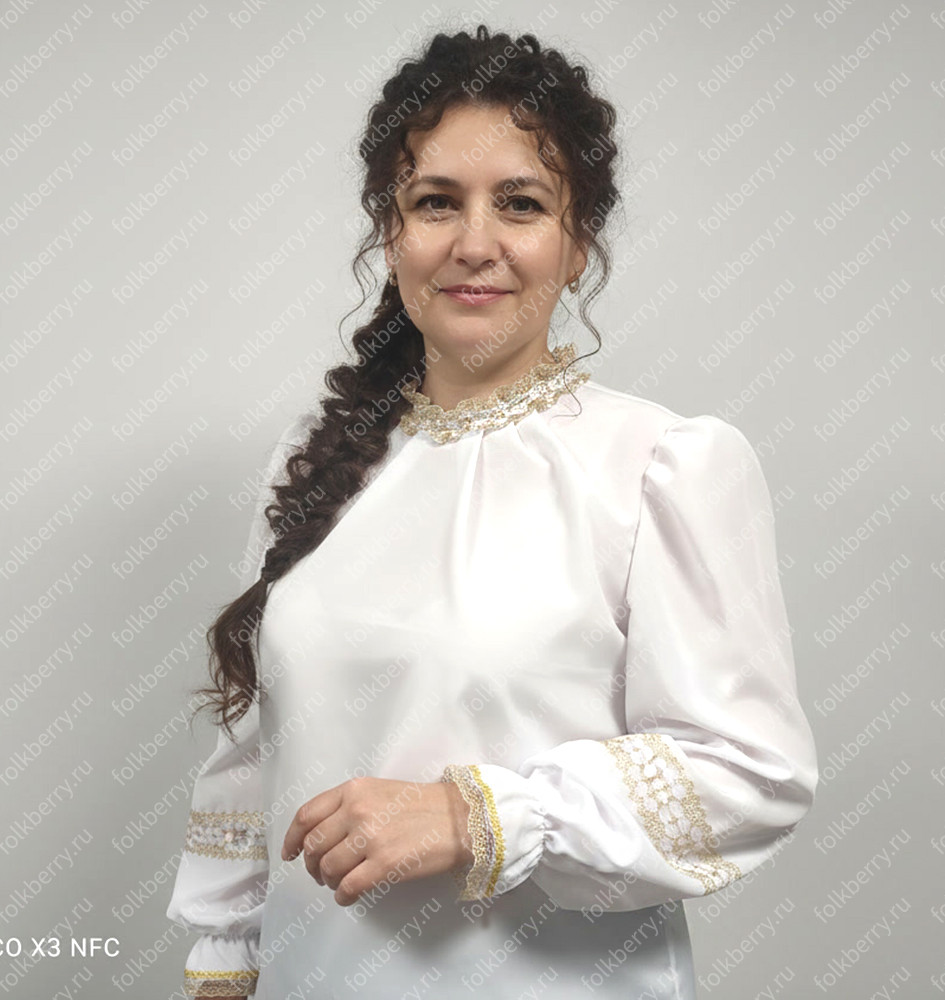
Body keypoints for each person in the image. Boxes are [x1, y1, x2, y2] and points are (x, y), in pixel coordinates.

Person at [165, 25, 818, 999]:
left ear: (577, 242)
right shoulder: (317, 459)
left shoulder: (662, 466)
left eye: (521, 203)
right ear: (391, 233)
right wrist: (222, 957)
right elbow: (256, 750)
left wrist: (478, 817)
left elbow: (749, 774)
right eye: (436, 202)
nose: (475, 244)